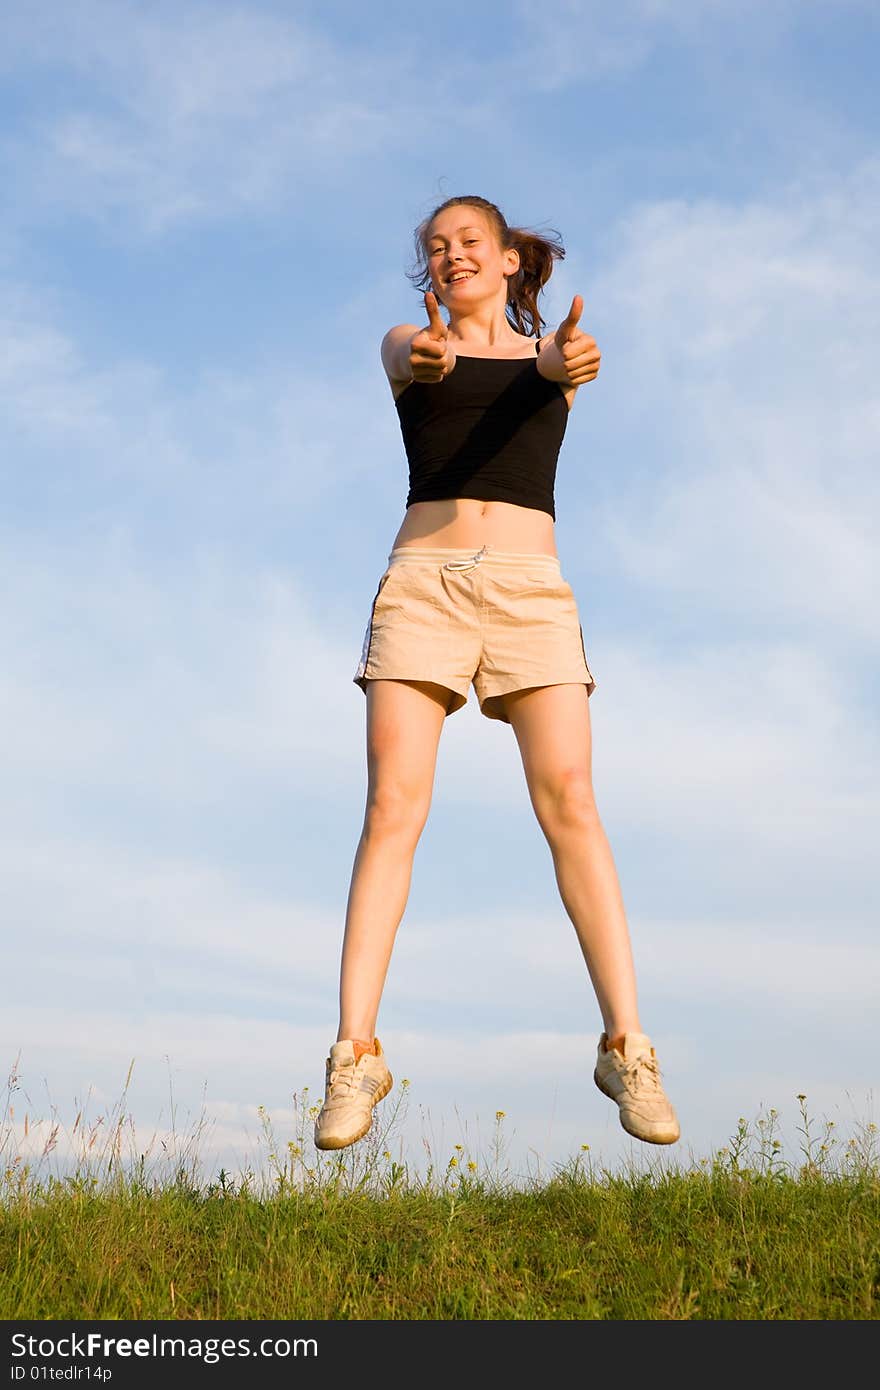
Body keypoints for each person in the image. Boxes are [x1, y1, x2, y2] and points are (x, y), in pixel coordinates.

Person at [314, 194, 679, 1152]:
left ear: (512, 258)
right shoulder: (409, 345)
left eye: (469, 243)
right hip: (422, 585)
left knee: (571, 799)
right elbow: (411, 357)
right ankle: (355, 1058)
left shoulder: (553, 358)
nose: (450, 257)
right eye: (435, 248)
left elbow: (561, 362)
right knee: (394, 805)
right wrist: (428, 357)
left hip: (529, 590)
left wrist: (566, 361)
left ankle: (627, 1051)